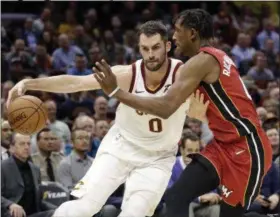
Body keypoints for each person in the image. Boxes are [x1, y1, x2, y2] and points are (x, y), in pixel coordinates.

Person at [7, 21, 202, 217]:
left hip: (158, 157)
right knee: (83, 207)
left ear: (167, 46)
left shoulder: (184, 76)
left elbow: (206, 109)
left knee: (135, 213)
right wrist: (29, 82)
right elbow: (76, 83)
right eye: (145, 48)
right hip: (120, 146)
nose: (150, 54)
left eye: (156, 47)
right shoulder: (127, 74)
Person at [93, 9, 272, 217]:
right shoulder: (215, 56)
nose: (174, 37)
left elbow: (166, 107)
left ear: (192, 33)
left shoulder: (202, 61)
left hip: (248, 148)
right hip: (223, 145)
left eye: (178, 31)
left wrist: (116, 91)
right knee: (176, 195)